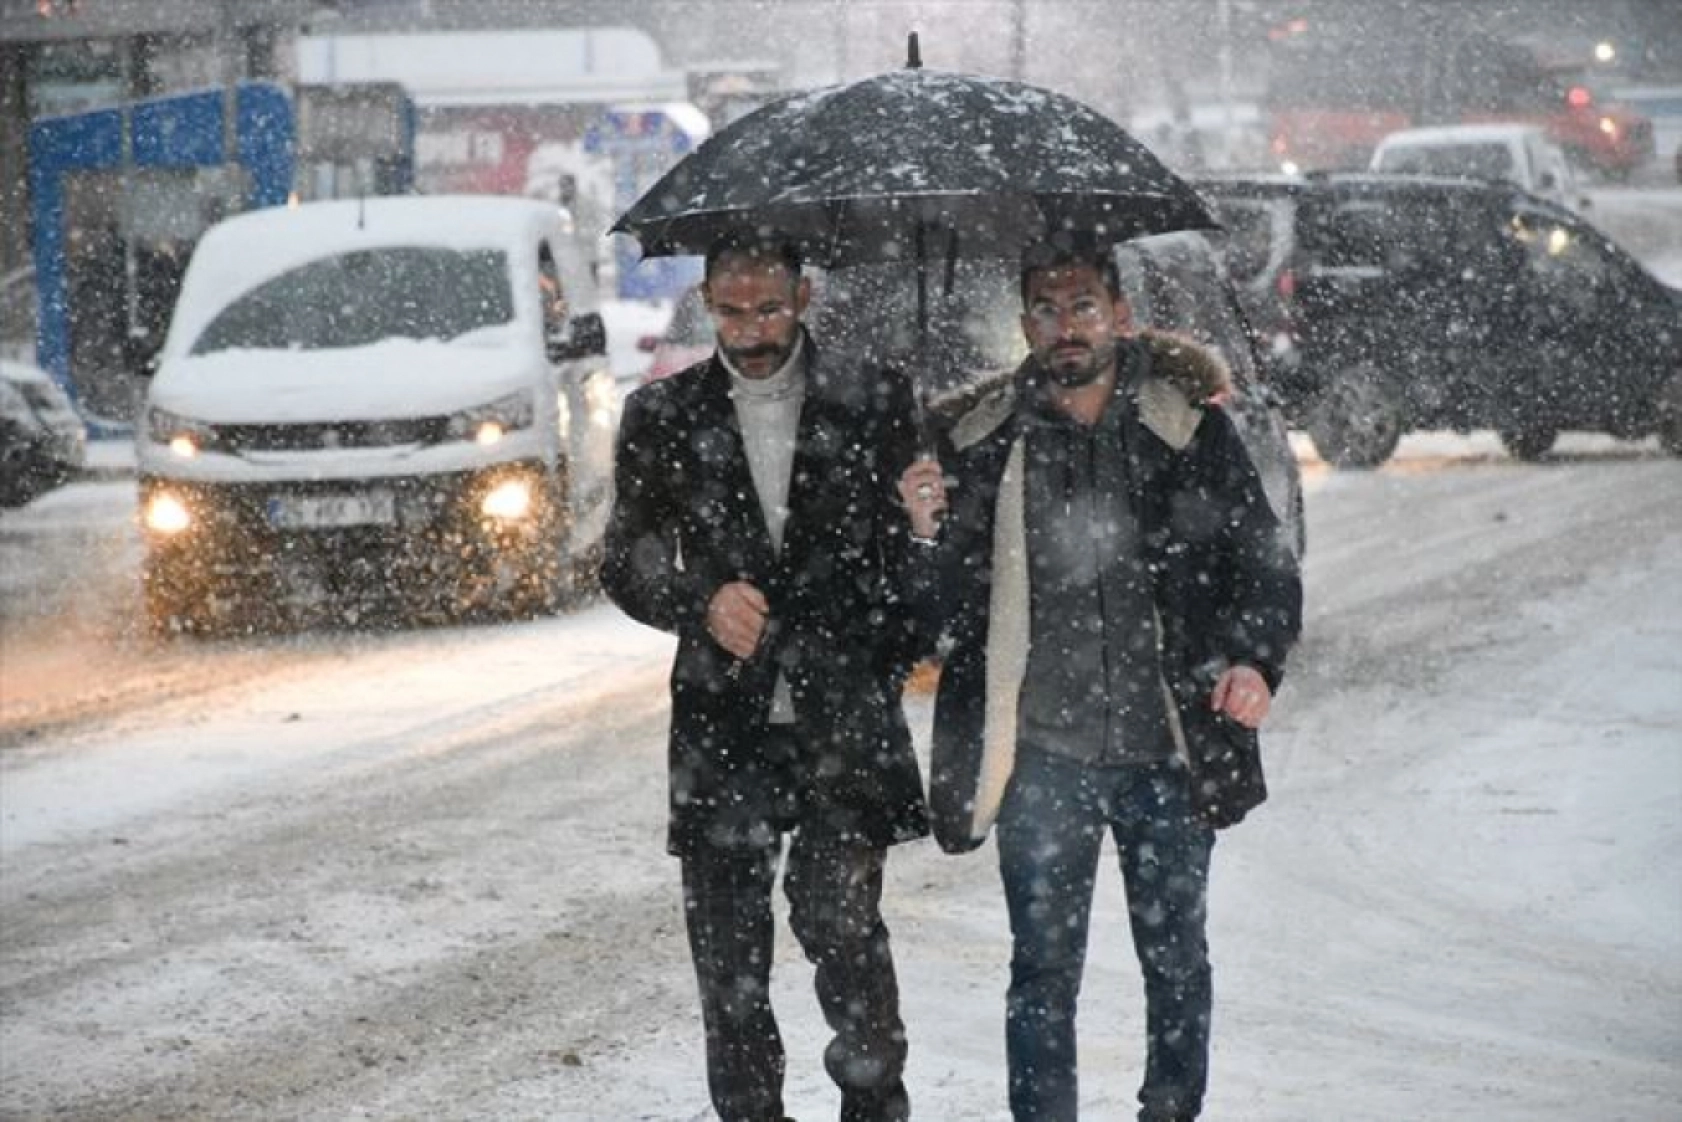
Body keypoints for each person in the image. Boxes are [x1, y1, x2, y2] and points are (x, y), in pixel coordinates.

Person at [896, 237, 1302, 1122]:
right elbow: (935, 623)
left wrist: (1253, 661)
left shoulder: (1188, 430)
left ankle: (1170, 1110)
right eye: (1044, 309)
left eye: (1082, 306)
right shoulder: (980, 443)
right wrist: (926, 530)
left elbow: (1262, 562)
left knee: (1177, 961)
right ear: (1023, 326)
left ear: (1120, 314)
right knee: (1041, 970)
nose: (1064, 327)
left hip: (1170, 741)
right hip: (1043, 757)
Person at [601, 233, 928, 1122]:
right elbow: (624, 563)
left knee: (846, 937)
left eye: (770, 308)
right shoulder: (663, 415)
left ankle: (875, 1109)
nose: (750, 329)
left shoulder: (876, 398)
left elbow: (917, 585)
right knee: (730, 968)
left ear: (806, 295)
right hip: (722, 729)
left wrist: (925, 531)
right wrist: (699, 599)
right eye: (731, 309)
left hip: (842, 720)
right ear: (707, 299)